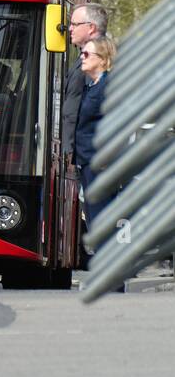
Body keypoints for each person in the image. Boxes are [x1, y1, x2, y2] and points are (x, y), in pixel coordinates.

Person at [75, 35, 116, 231]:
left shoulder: (108, 88)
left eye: (86, 53)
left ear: (102, 58)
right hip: (87, 162)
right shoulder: (91, 86)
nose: (82, 57)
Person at [62, 2, 108, 168]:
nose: (70, 29)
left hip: (88, 156)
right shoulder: (85, 56)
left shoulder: (96, 59)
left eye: (75, 24)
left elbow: (92, 106)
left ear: (91, 28)